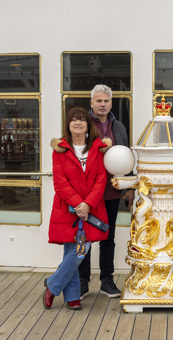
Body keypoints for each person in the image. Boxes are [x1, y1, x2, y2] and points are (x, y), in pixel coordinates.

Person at [43, 107, 111, 310]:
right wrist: (77, 204)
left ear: (88, 125)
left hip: (91, 209)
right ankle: (72, 297)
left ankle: (53, 285)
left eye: (82, 119)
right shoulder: (60, 150)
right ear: (68, 124)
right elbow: (60, 182)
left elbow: (101, 179)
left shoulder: (98, 149)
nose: (78, 123)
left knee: (80, 250)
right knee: (73, 251)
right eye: (74, 120)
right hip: (68, 209)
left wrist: (87, 204)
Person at [78, 84, 135, 299]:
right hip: (89, 192)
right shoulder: (82, 124)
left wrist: (129, 187)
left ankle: (107, 281)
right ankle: (83, 281)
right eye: (98, 101)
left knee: (108, 237)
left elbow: (126, 156)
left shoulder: (118, 126)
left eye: (106, 101)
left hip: (112, 191)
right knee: (85, 237)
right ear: (91, 103)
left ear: (111, 103)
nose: (103, 104)